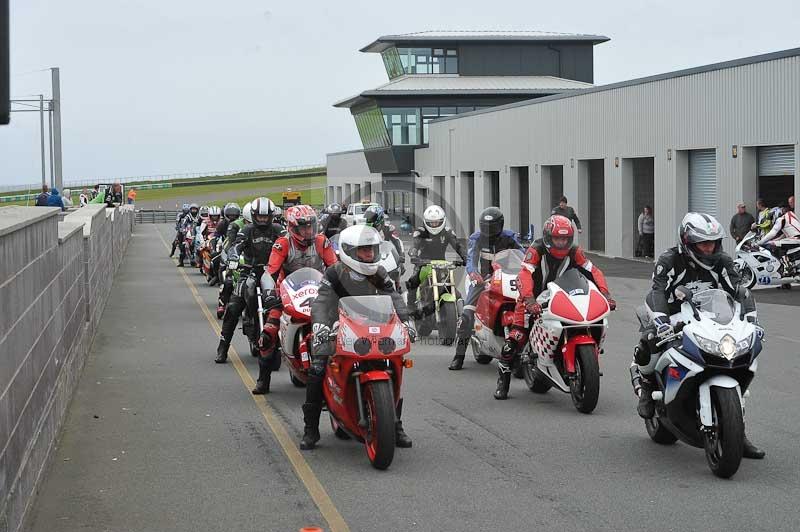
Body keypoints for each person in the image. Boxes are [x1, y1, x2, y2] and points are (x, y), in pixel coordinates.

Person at [632, 212, 764, 459]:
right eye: (703, 243)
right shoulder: (669, 260)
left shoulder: (722, 261)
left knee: (737, 355)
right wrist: (661, 323)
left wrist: (751, 321)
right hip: (673, 315)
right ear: (687, 242)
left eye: (712, 243)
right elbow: (657, 292)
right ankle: (648, 389)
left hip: (710, 315)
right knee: (650, 341)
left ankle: (738, 434)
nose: (709, 248)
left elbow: (739, 291)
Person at [300, 225, 414, 450]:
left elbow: (394, 297)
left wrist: (406, 321)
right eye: (363, 250)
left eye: (372, 249)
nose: (369, 254)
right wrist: (321, 325)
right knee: (317, 369)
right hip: (335, 327)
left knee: (394, 363)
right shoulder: (334, 272)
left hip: (371, 327)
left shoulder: (378, 272)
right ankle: (310, 429)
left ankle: (394, 424)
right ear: (349, 251)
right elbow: (321, 301)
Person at [497, 215, 615, 399]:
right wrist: (529, 300)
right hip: (533, 299)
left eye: (565, 239)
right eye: (557, 238)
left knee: (587, 320)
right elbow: (524, 274)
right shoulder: (536, 250)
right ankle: (503, 382)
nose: (561, 243)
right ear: (547, 237)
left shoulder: (575, 251)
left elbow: (594, 271)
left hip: (564, 297)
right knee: (515, 339)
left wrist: (606, 295)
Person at [252, 205, 338, 394]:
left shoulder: (322, 242)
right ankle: (263, 380)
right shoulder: (282, 244)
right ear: (292, 228)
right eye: (303, 227)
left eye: (311, 226)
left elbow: (335, 268)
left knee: (339, 328)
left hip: (318, 292)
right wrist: (269, 293)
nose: (308, 231)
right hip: (288, 294)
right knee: (268, 334)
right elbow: (269, 273)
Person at [449, 206, 523, 370]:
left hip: (506, 278)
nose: (489, 230)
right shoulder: (476, 238)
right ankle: (459, 356)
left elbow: (522, 256)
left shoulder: (509, 237)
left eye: (492, 227)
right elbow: (471, 259)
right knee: (467, 315)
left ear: (500, 225)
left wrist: (526, 269)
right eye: (486, 227)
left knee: (525, 309)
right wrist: (473, 273)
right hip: (483, 279)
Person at [215, 198, 284, 364]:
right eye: (260, 216)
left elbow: (288, 242)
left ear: (271, 216)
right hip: (249, 272)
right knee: (233, 307)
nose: (263, 220)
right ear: (254, 216)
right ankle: (223, 348)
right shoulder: (246, 230)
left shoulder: (278, 229)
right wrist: (233, 255)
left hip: (273, 274)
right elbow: (236, 245)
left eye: (265, 216)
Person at [405, 205, 467, 317]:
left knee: (452, 288)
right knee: (413, 281)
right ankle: (410, 307)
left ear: (442, 221)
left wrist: (465, 256)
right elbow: (415, 245)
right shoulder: (420, 232)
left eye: (437, 222)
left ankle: (461, 313)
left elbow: (458, 246)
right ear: (426, 222)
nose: (434, 225)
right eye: (431, 223)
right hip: (423, 264)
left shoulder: (447, 232)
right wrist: (413, 254)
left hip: (442, 265)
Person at [216, 203, 248, 318]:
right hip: (237, 254)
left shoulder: (265, 227)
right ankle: (222, 303)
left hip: (253, 258)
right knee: (229, 280)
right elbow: (231, 242)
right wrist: (233, 256)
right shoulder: (234, 225)